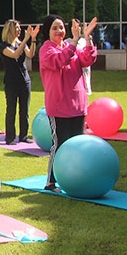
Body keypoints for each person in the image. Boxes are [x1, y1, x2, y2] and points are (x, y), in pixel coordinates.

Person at [39, 14, 97, 192]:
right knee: (60, 144)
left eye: (61, 27)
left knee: (77, 146)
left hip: (77, 106)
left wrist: (87, 40)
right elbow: (60, 60)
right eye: (55, 28)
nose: (59, 31)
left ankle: (74, 179)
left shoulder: (70, 46)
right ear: (48, 31)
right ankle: (51, 182)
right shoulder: (46, 50)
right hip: (59, 107)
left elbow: (88, 59)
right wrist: (74, 41)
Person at [0, 20, 39, 145]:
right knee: (11, 110)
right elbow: (15, 54)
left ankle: (23, 136)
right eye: (17, 28)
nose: (20, 30)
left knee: (24, 110)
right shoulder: (3, 46)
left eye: (20, 28)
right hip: (11, 82)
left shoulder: (21, 43)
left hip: (24, 81)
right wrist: (26, 40)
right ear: (10, 30)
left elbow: (30, 54)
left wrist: (32, 39)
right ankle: (10, 138)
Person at [66, 19, 92, 96]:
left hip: (85, 76)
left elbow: (91, 56)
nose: (77, 29)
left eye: (79, 26)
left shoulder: (85, 41)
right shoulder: (66, 43)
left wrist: (89, 38)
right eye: (74, 26)